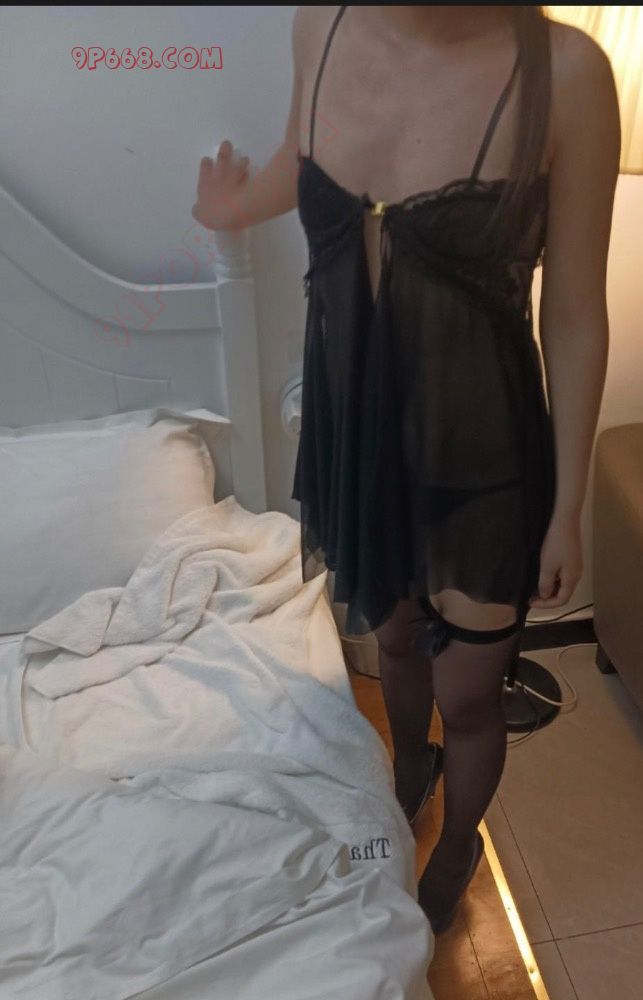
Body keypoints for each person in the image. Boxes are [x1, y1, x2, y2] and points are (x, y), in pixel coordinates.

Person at [192, 5, 620, 935]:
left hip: (485, 458)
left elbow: (574, 314)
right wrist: (236, 207)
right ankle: (408, 768)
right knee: (390, 644)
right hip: (356, 437)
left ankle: (459, 842)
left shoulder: (568, 77)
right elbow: (305, 157)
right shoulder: (321, 24)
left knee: (469, 696)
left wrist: (565, 507)